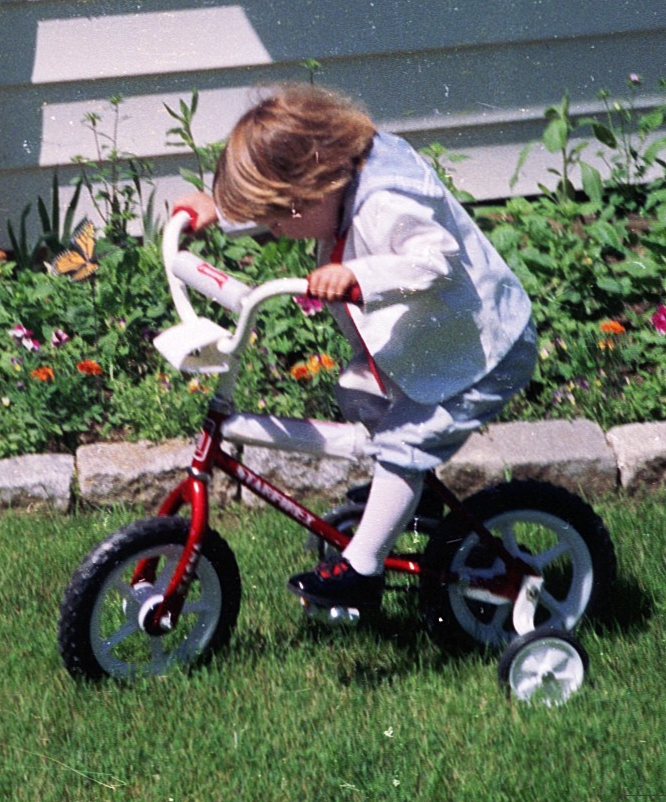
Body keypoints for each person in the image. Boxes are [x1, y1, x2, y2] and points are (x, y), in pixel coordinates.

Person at [173, 83, 537, 609]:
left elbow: (433, 259)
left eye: (277, 221)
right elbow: (291, 203)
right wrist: (221, 211)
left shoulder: (385, 203)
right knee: (356, 392)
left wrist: (356, 273)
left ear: (315, 188)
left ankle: (362, 570)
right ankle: (411, 498)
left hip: (482, 354)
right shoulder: (338, 176)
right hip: (431, 348)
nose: (275, 231)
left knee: (401, 447)